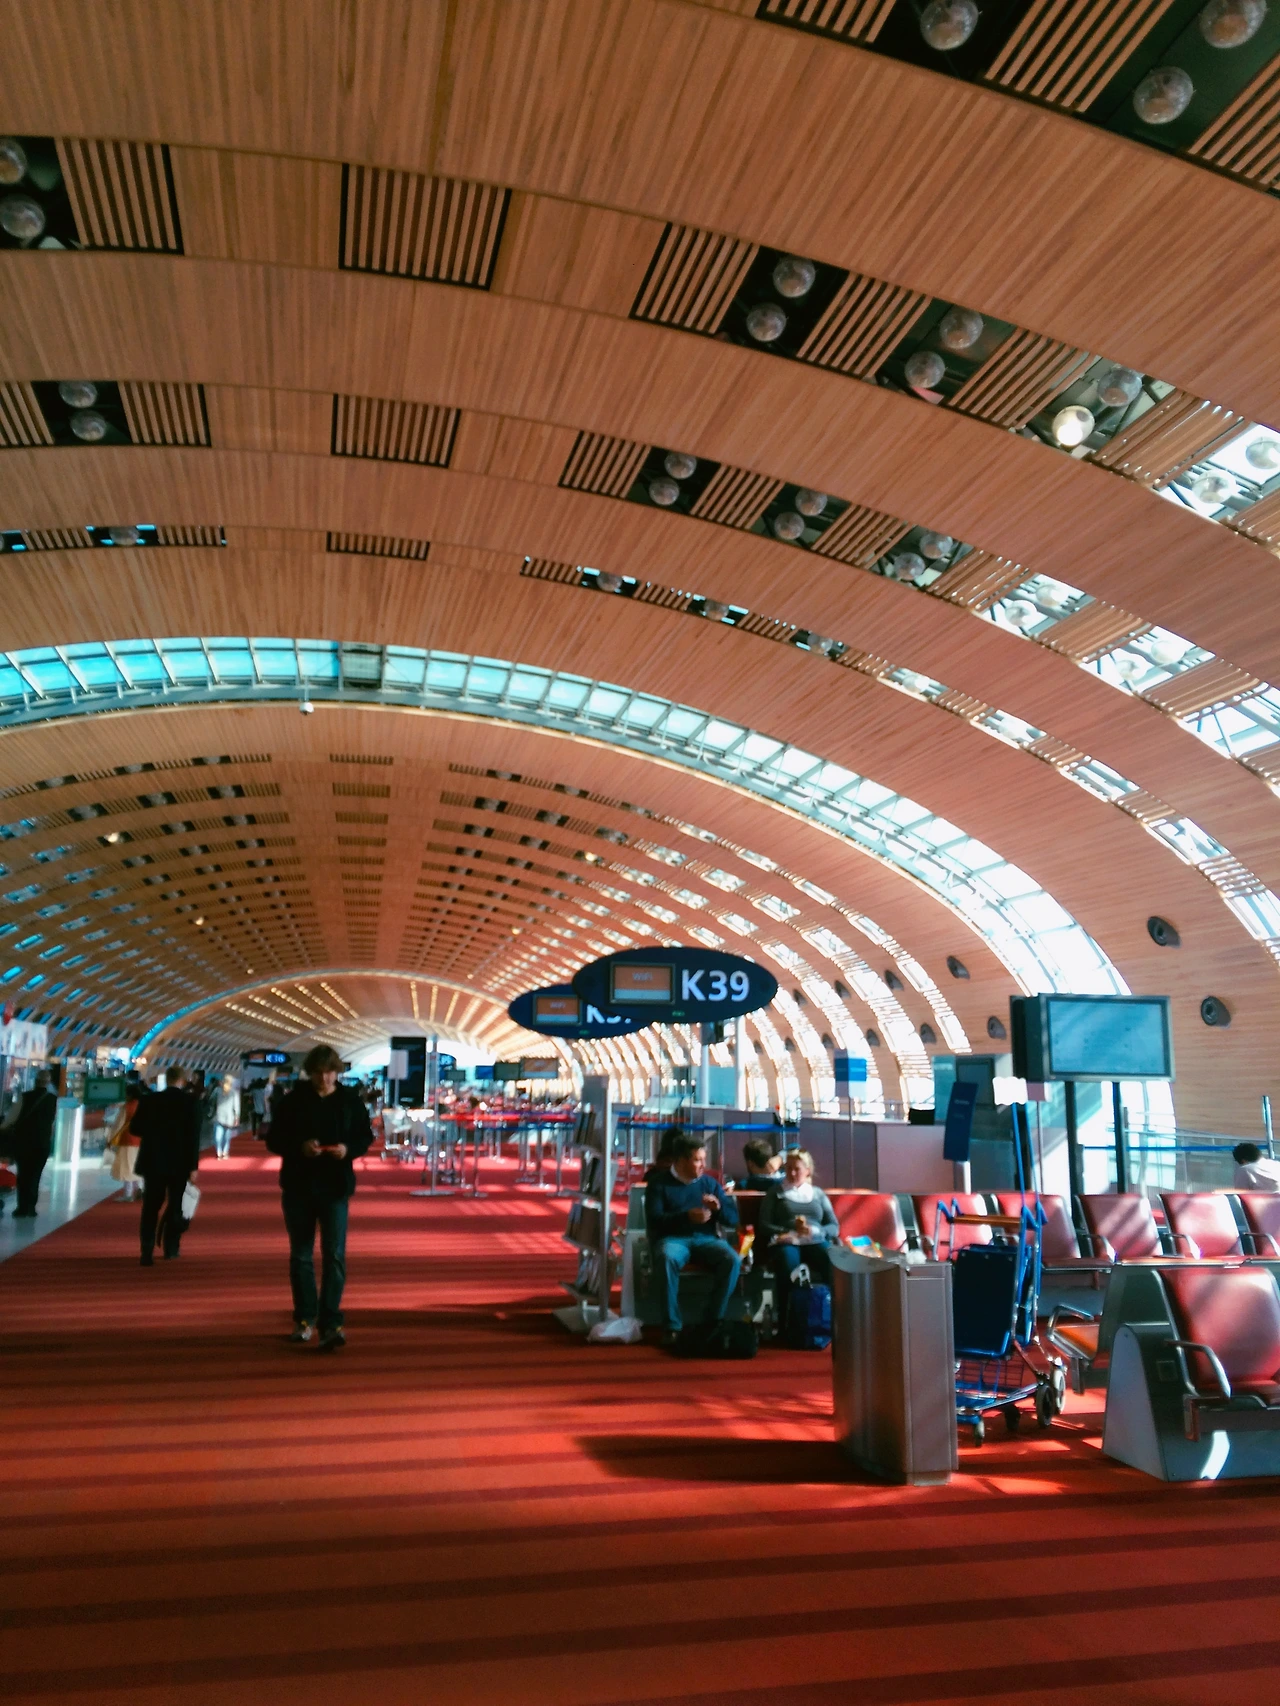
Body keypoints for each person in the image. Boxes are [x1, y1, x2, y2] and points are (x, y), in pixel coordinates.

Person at [265, 1044, 372, 1351]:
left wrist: (347, 1149)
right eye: (318, 1073)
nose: (324, 1078)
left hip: (335, 1186)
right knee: (301, 1255)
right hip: (298, 1186)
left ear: (337, 1072)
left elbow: (364, 1136)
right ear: (310, 1073)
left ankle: (331, 1321)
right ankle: (304, 1318)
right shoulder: (292, 1101)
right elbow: (273, 1139)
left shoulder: (350, 1101)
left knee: (334, 1255)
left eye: (329, 1072)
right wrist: (299, 1147)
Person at [644, 1132, 740, 1346]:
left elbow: (733, 1220)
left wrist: (718, 1209)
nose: (703, 1165)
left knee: (731, 1259)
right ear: (680, 1161)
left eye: (704, 1159)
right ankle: (672, 1327)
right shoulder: (659, 1184)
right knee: (667, 1258)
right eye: (697, 1160)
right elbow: (654, 1220)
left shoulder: (709, 1184)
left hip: (706, 1239)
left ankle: (713, 1319)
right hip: (673, 1239)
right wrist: (686, 1217)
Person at [759, 1148, 841, 1336]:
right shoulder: (775, 1193)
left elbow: (834, 1226)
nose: (792, 1173)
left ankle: (831, 1319)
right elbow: (764, 1225)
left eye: (797, 1169)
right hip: (788, 1240)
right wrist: (786, 1232)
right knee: (788, 1262)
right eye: (788, 1169)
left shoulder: (817, 1194)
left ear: (807, 1170)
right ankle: (787, 1323)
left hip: (814, 1239)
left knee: (832, 1260)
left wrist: (817, 1231)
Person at [132, 1065, 201, 1264]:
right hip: (179, 1163)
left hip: (153, 1161)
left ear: (167, 1079)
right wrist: (193, 1166)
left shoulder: (150, 1100)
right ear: (183, 1080)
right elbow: (194, 1137)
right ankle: (171, 1247)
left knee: (151, 1206)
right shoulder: (191, 1102)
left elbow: (135, 1128)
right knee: (175, 1204)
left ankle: (146, 1251)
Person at [8, 1069, 58, 1218]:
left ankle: (22, 1207)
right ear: (48, 1083)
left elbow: (12, 1118)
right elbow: (52, 1121)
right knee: (35, 1175)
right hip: (42, 1143)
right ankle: (31, 1207)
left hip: (23, 1142)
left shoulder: (24, 1097)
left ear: (35, 1081)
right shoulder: (53, 1099)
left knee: (23, 1174)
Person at [107, 1083, 143, 1201]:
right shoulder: (143, 1105)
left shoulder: (126, 1107)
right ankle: (139, 1189)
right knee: (137, 1165)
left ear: (130, 1094)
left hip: (128, 1139)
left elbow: (118, 1124)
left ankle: (128, 1194)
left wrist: (110, 1139)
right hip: (142, 1140)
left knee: (127, 1166)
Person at [213, 1075, 241, 1159]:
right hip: (224, 1117)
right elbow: (237, 1106)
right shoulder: (218, 1091)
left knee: (221, 1136)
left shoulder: (232, 1093)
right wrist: (237, 1117)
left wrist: (237, 1116)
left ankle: (222, 1151)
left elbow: (236, 1106)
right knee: (224, 1136)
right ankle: (222, 1152)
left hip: (224, 1117)